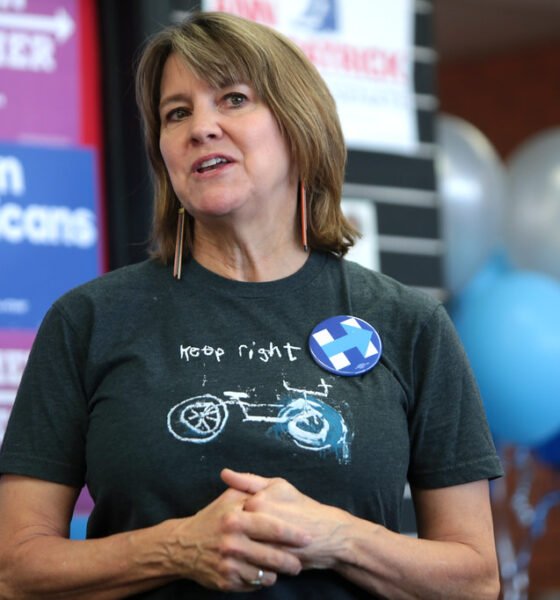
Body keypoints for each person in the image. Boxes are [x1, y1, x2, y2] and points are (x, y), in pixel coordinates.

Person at [0, 11, 503, 599]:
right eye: (176, 113)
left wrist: (337, 536)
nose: (201, 128)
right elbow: (15, 569)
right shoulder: (89, 320)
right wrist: (177, 547)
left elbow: (475, 579)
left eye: (233, 99)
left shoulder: (406, 323)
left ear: (298, 124)